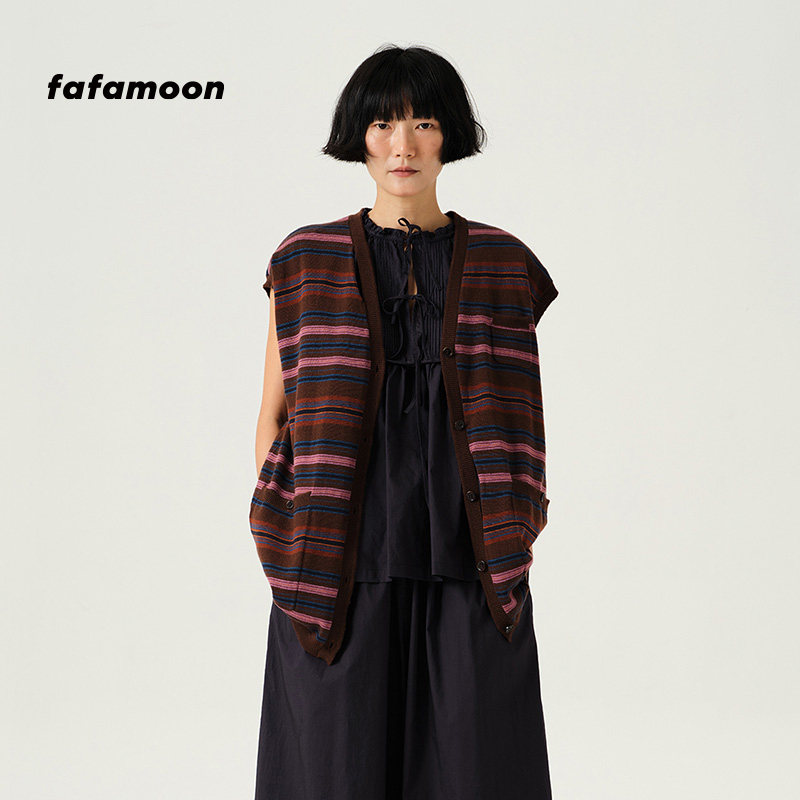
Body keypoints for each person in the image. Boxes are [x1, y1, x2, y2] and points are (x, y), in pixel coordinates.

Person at [252, 44, 556, 799]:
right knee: (335, 768)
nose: (403, 146)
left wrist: (521, 518)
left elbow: (520, 412)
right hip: (337, 563)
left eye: (423, 124)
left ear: (448, 134)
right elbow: (276, 414)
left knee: (477, 766)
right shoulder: (304, 260)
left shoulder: (504, 263)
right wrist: (290, 526)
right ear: (358, 135)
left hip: (471, 557)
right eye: (384, 124)